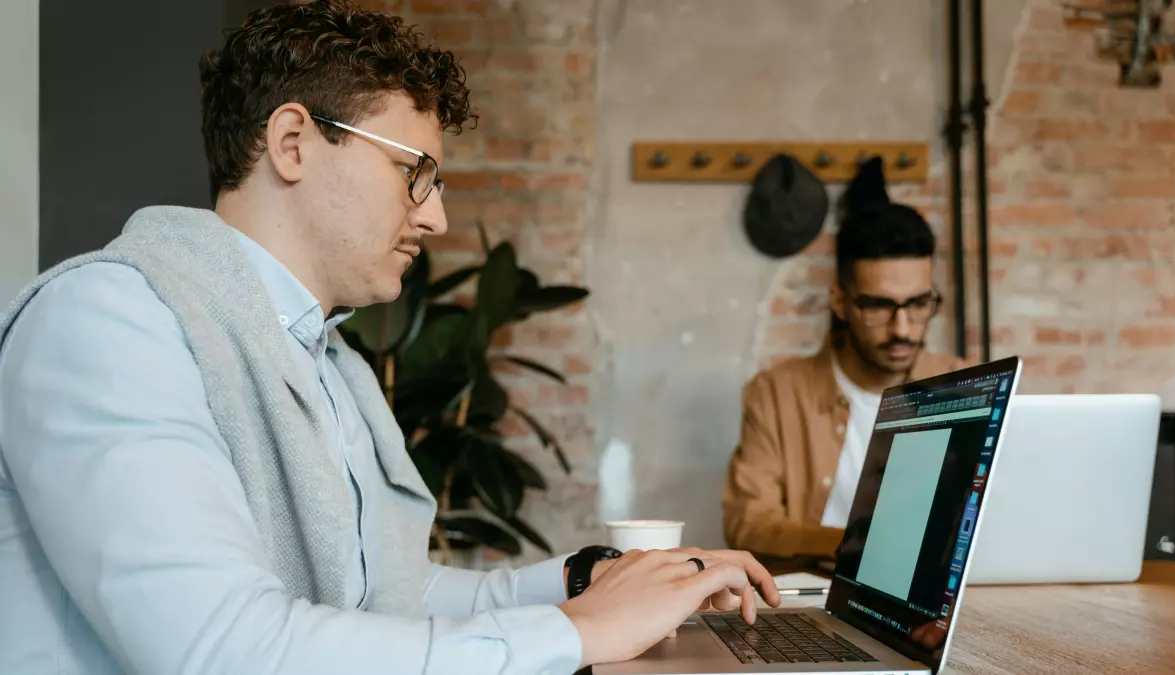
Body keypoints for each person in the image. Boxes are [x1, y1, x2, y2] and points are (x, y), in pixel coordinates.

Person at [0, 2, 778, 673]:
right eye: (416, 172)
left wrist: (585, 580)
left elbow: (395, 592)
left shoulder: (329, 362)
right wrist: (580, 631)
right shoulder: (108, 322)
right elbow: (219, 649)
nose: (434, 216)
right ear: (293, 142)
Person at [722, 197, 969, 560]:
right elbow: (748, 522)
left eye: (918, 304)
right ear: (840, 302)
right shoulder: (777, 394)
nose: (902, 329)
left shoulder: (963, 384)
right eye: (878, 306)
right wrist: (857, 546)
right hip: (813, 594)